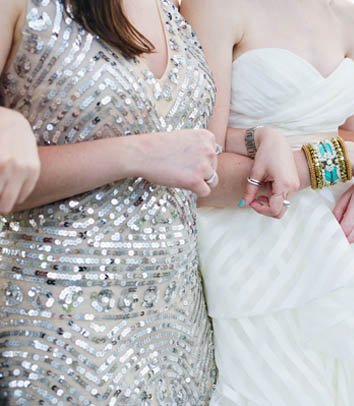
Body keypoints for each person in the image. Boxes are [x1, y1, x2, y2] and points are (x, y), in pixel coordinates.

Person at [181, 0, 354, 404]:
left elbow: (350, 136)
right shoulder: (216, 7)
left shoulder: (352, 20)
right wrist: (345, 161)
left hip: (351, 240)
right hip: (258, 240)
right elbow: (202, 159)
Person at [0, 0, 219, 403]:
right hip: (59, 335)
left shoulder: (170, 9)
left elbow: (190, 145)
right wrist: (134, 154)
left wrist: (262, 138)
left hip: (180, 339)